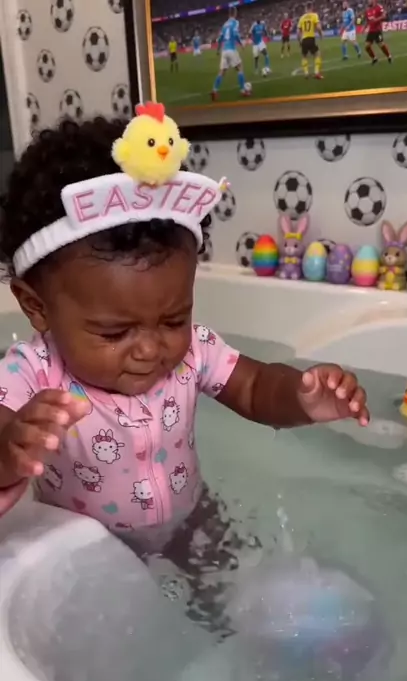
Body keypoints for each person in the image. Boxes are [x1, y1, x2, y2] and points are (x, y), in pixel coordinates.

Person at [0, 115, 369, 622]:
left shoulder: (193, 351)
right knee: (115, 628)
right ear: (36, 306)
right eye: (115, 332)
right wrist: (10, 448)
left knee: (228, 609)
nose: (151, 348)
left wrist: (302, 396)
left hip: (193, 518)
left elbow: (256, 387)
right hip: (87, 543)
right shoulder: (34, 371)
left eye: (174, 319)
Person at [212, 8, 249, 100]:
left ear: (229, 14)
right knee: (240, 68)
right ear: (235, 13)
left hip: (224, 50)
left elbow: (220, 38)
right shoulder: (235, 22)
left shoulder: (224, 25)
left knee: (222, 71)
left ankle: (214, 90)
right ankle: (243, 90)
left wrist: (218, 50)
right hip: (231, 49)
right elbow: (235, 34)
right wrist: (241, 44)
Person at [297, 1, 323, 80]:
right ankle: (316, 72)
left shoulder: (302, 18)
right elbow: (318, 27)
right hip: (311, 38)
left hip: (304, 39)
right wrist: (321, 35)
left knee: (304, 56)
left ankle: (306, 73)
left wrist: (299, 41)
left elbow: (298, 32)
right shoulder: (314, 15)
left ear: (306, 8)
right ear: (311, 7)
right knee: (317, 54)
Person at [364, 0, 392, 64]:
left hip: (377, 30)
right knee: (367, 46)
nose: (368, 1)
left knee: (381, 44)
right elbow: (367, 20)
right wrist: (365, 27)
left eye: (369, 0)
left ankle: (389, 56)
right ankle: (374, 58)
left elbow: (384, 16)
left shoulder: (379, 7)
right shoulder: (368, 10)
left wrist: (376, 19)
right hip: (371, 31)